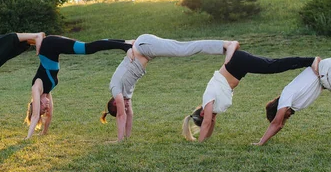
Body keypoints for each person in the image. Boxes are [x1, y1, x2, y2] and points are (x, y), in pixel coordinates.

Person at [100, 34, 239, 142]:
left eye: (122, 106)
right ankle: (225, 48)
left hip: (143, 46)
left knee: (182, 49)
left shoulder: (115, 88)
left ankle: (227, 44)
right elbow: (128, 114)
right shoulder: (126, 94)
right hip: (145, 48)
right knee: (182, 49)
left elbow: (121, 115)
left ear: (114, 103)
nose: (126, 106)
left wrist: (118, 140)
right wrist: (126, 138)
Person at [182, 49, 320, 142]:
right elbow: (209, 124)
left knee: (272, 66)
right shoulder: (213, 108)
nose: (212, 120)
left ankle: (310, 60)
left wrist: (199, 144)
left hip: (239, 62)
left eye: (209, 118)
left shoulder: (208, 100)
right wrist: (204, 139)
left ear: (202, 114)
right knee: (272, 66)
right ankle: (309, 61)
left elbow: (207, 122)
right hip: (239, 66)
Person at [25, 35, 133, 139]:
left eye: (43, 109)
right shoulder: (46, 91)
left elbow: (35, 115)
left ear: (38, 103)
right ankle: (125, 42)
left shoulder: (37, 87)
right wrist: (44, 132)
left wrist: (28, 137)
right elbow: (50, 115)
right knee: (88, 46)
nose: (46, 108)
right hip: (53, 47)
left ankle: (125, 46)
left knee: (88, 48)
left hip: (50, 45)